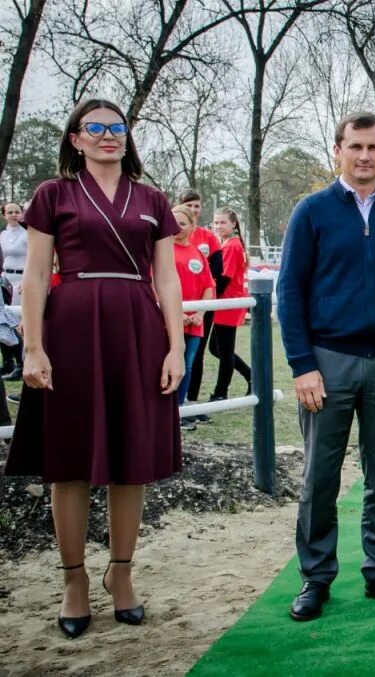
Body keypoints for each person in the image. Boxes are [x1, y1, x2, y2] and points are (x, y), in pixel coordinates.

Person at [2, 98, 184, 638]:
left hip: (137, 330)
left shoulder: (152, 198)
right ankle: (75, 581)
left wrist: (175, 347)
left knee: (131, 459)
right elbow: (34, 278)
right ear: (76, 139)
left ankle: (121, 575)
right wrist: (33, 347)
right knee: (71, 461)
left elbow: (167, 280)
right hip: (71, 332)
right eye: (96, 128)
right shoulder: (52, 194)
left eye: (117, 127)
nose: (109, 135)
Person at [277, 111, 375, 621]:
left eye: (374, 147)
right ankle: (316, 577)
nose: (365, 156)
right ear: (338, 149)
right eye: (355, 147)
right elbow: (289, 292)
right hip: (328, 362)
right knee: (320, 475)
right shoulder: (312, 211)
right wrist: (302, 365)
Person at [170, 205, 215, 430]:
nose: (177, 227)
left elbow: (209, 285)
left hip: (194, 325)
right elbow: (156, 286)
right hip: (168, 323)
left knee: (187, 365)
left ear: (192, 226)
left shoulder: (197, 253)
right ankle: (166, 411)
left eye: (182, 223)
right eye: (173, 222)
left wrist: (200, 313)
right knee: (168, 365)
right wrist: (177, 313)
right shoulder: (162, 251)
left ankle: (179, 410)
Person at [179, 188, 221, 422]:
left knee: (193, 359)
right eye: (189, 205)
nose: (193, 210)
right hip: (172, 316)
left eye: (197, 205)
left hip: (198, 314)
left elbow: (211, 278)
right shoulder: (164, 246)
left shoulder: (204, 241)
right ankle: (173, 407)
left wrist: (202, 309)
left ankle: (188, 403)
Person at [208, 208, 251, 400]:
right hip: (225, 302)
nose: (218, 226)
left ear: (233, 223)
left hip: (228, 302)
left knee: (223, 351)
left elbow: (224, 278)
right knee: (216, 349)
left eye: (222, 222)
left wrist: (208, 300)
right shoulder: (228, 244)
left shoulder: (232, 246)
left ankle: (220, 392)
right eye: (216, 223)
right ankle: (251, 376)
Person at [1, 201, 27, 380]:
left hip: (23, 280)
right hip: (5, 279)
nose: (14, 215)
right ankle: (8, 362)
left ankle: (22, 363)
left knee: (19, 324)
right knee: (3, 322)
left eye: (17, 211)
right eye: (10, 212)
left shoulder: (27, 234)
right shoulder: (2, 235)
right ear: (4, 215)